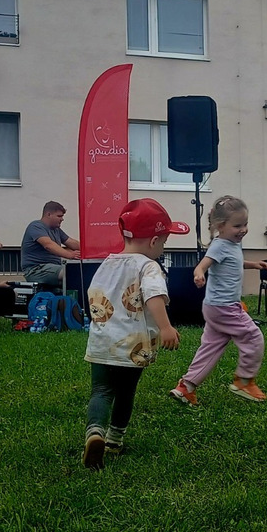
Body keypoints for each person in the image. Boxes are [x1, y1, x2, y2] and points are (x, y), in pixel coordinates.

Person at [82, 198, 187, 469]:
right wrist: (165, 327)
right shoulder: (148, 266)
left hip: (102, 341)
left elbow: (94, 296)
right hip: (133, 345)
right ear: (153, 241)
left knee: (101, 390)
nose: (162, 248)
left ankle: (95, 432)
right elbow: (154, 295)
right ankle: (114, 440)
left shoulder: (107, 263)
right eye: (163, 242)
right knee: (126, 391)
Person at [170, 196, 267, 407]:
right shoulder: (219, 245)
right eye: (237, 225)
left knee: (211, 347)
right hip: (224, 307)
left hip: (215, 308)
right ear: (220, 226)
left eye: (245, 224)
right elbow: (203, 264)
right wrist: (199, 274)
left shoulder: (231, 244)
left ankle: (186, 387)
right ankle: (244, 381)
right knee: (253, 337)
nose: (243, 229)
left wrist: (254, 264)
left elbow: (234, 262)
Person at [21, 201, 81, 289]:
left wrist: (92, 250)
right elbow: (48, 245)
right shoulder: (36, 226)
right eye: (59, 216)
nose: (62, 219)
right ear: (49, 214)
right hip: (36, 269)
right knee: (71, 272)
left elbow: (71, 242)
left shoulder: (56, 230)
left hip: (53, 268)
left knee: (79, 272)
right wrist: (70, 255)